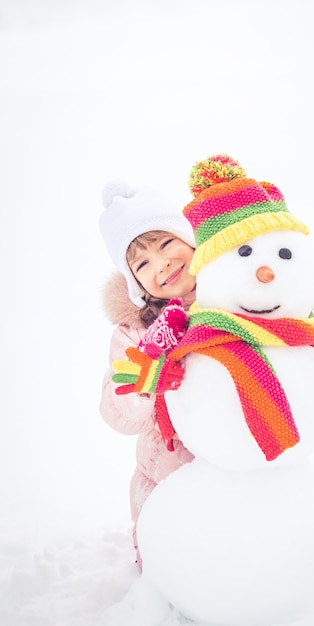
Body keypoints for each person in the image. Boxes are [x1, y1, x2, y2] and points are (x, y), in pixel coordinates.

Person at [98, 181, 196, 569]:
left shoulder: (233, 299)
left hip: (241, 465)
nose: (161, 264)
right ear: (135, 282)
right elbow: (120, 415)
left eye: (165, 244)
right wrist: (145, 372)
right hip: (167, 475)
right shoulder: (135, 334)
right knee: (180, 566)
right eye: (141, 264)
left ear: (190, 239)